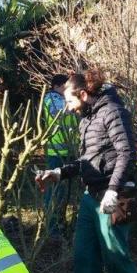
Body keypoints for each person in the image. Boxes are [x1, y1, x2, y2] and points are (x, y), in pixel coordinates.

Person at [35, 69, 137, 273]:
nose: (67, 107)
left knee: (115, 257)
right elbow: (89, 158)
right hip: (91, 196)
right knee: (84, 256)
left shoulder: (113, 111)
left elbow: (128, 152)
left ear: (84, 94)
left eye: (70, 100)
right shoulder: (87, 118)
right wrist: (58, 173)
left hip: (113, 196)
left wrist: (113, 189)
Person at [42, 73, 77, 237]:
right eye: (65, 85)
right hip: (57, 152)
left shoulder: (63, 99)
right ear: (57, 86)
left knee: (64, 192)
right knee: (55, 191)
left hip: (68, 151)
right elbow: (60, 114)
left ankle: (60, 223)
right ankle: (52, 226)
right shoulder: (51, 98)